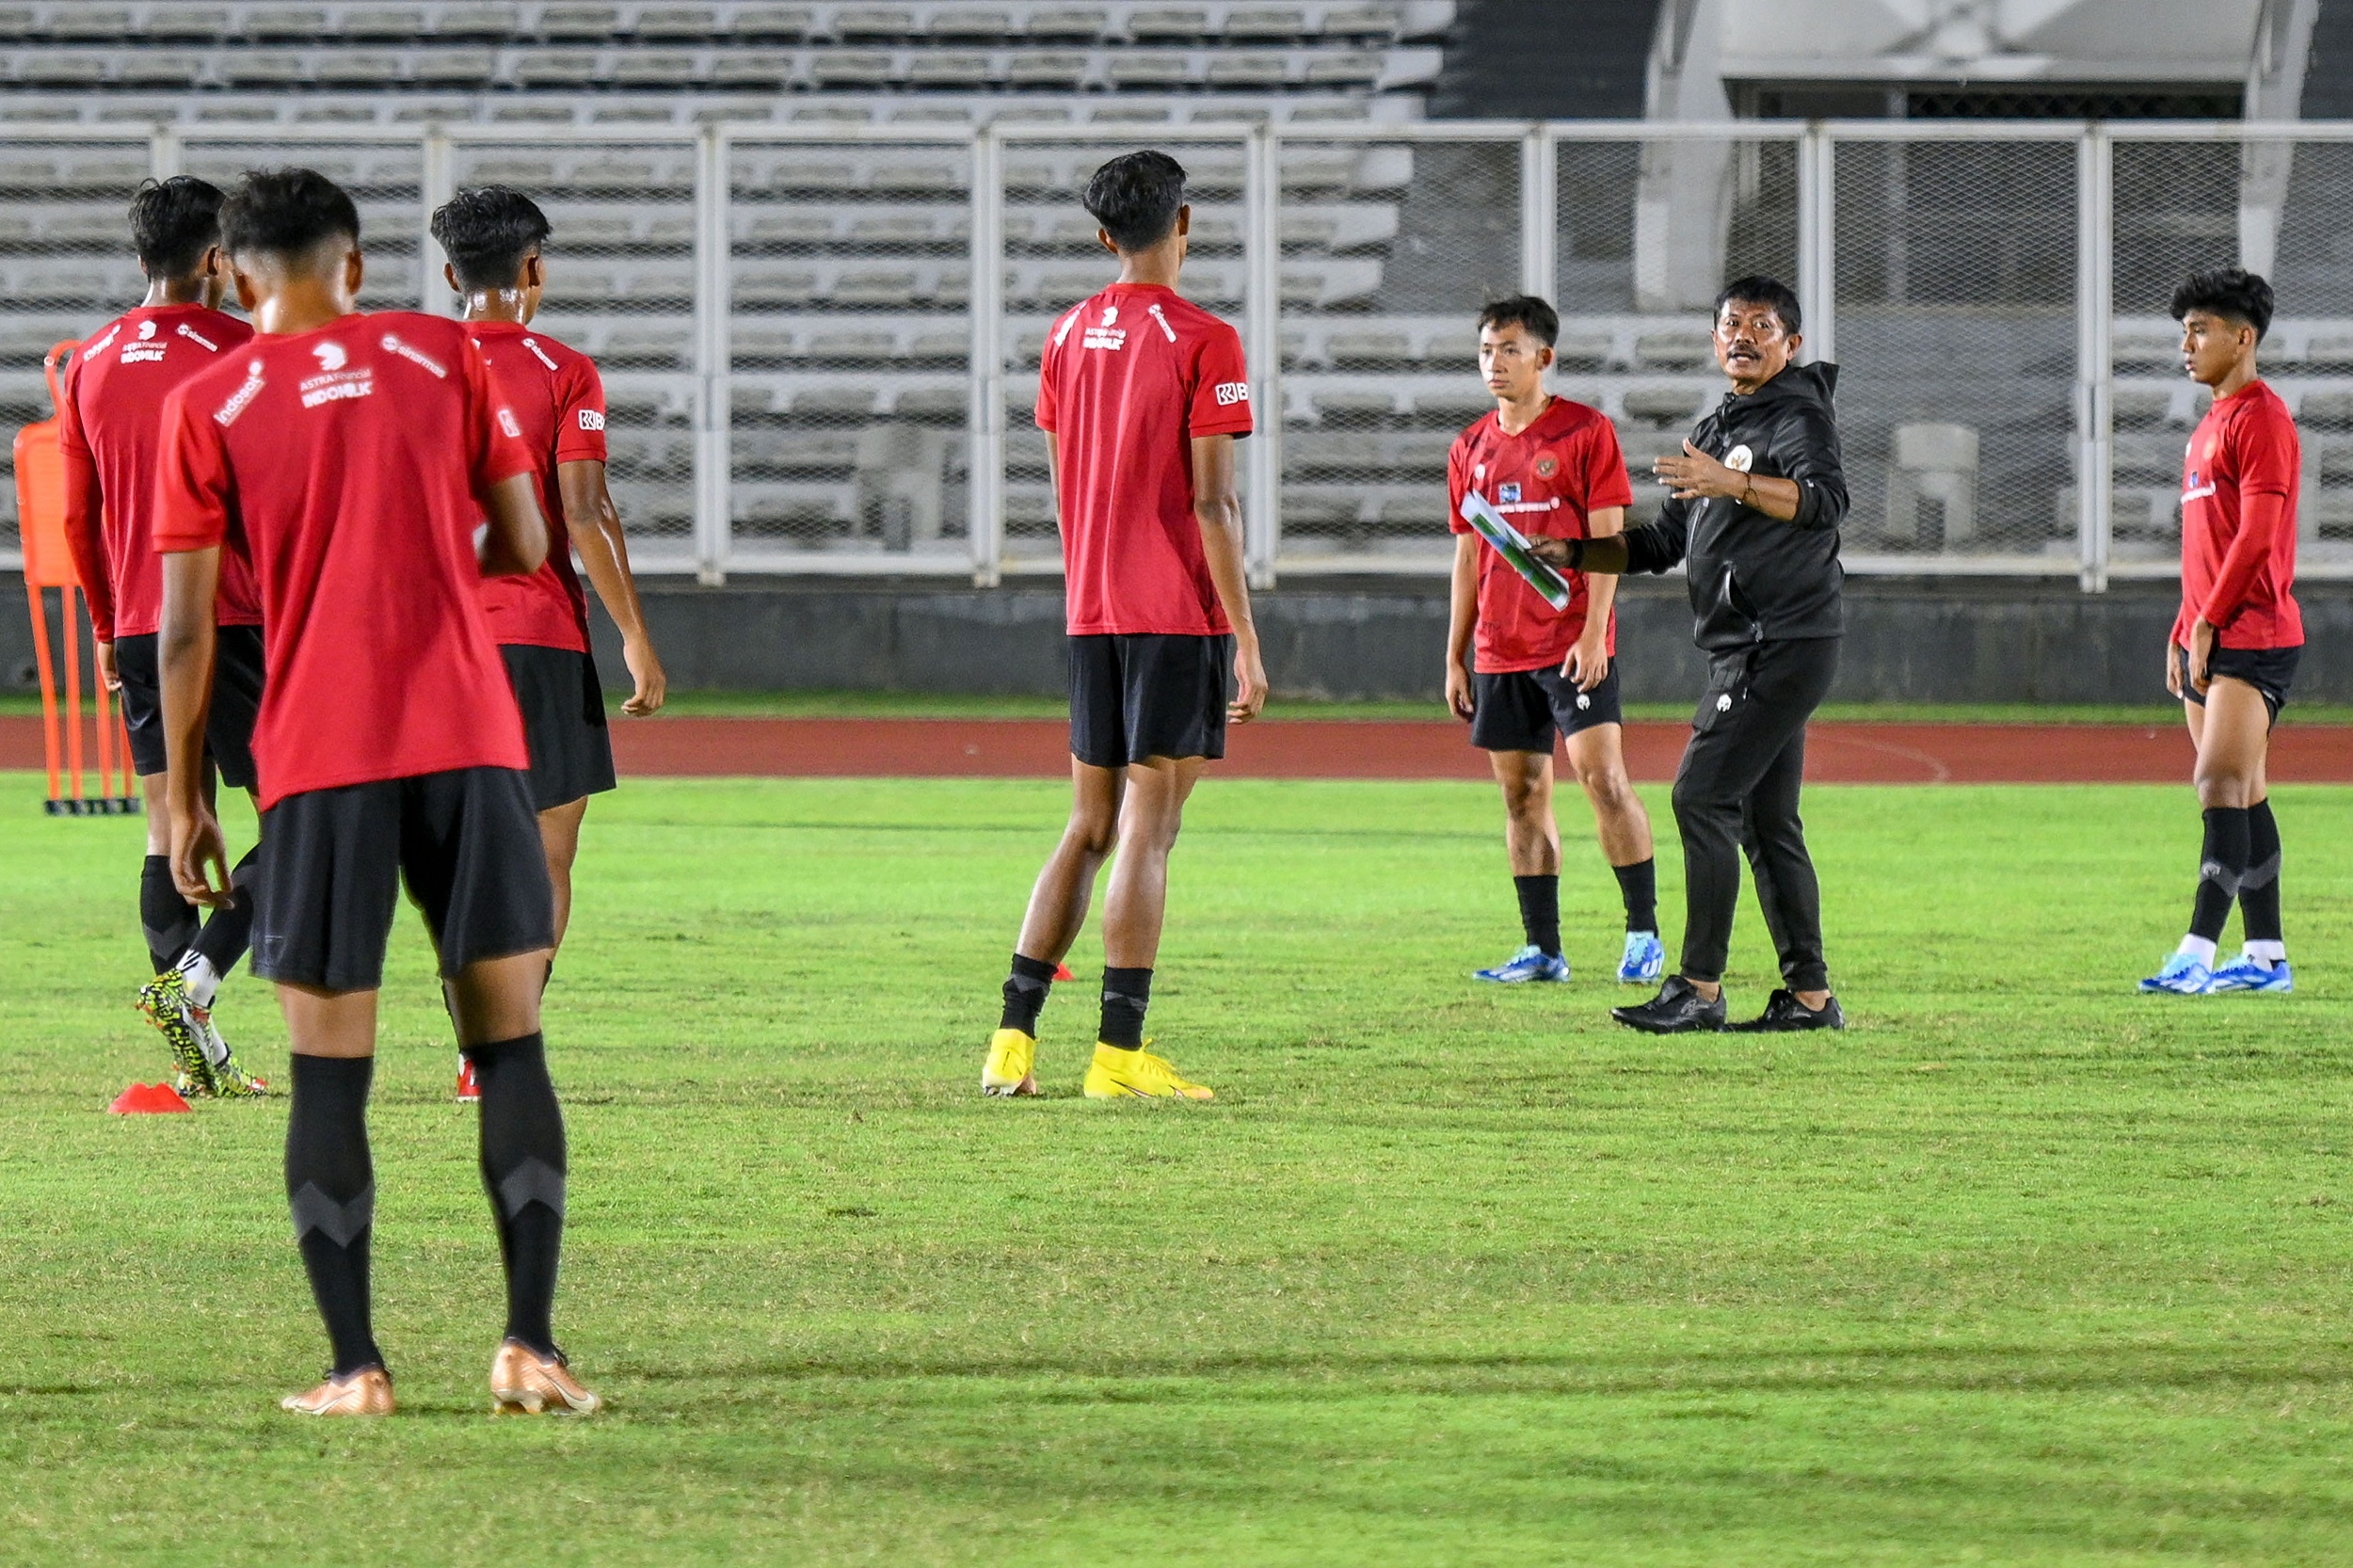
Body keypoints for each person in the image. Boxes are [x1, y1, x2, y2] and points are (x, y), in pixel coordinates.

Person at [153, 168, 595, 1417]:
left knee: (329, 1070)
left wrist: (187, 796)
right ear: (353, 266)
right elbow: (524, 541)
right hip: (467, 730)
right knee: (508, 1042)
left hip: (320, 751)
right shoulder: (437, 356)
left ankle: (356, 1368)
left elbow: (186, 629)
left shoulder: (209, 400)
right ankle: (529, 1347)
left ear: (236, 274)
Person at [980, 150, 1265, 1101]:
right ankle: (1117, 1054)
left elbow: (1066, 485)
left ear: (1105, 236)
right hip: (1173, 614)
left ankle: (1012, 1041)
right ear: (1183, 222)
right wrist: (1246, 639)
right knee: (1149, 829)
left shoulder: (1065, 334)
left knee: (1087, 826)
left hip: (1092, 609)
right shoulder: (1207, 340)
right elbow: (1213, 503)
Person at [1531, 276, 1848, 1033]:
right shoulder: (1716, 427)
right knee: (1768, 821)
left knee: (1700, 797)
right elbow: (1664, 543)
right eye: (1731, 323)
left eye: (1762, 325)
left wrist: (1731, 481)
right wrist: (1576, 551)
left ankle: (1699, 989)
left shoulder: (1799, 414)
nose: (1743, 335)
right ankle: (1809, 998)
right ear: (1713, 340)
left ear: (1792, 344)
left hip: (1779, 641)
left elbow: (1826, 502)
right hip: (1757, 645)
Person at [429, 184, 668, 1102]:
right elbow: (586, 510)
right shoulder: (564, 370)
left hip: (433, 643)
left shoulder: (411, 368)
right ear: (533, 268)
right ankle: (501, 1050)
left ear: (450, 274)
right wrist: (635, 635)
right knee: (544, 859)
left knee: (457, 858)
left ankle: (472, 1042)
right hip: (538, 638)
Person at [56, 175, 269, 1098]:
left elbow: (77, 515)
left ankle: (198, 1062)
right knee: (300, 817)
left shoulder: (87, 361)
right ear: (216, 258)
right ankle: (197, 979)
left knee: (169, 823)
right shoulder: (243, 350)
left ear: (141, 254)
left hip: (141, 622)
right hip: (231, 617)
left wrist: (107, 625)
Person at [1444, 295, 1661, 986]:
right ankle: (1543, 950)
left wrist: (1595, 634)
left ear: (1544, 357)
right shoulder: (1469, 448)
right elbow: (1468, 557)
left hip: (1571, 646)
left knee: (1604, 780)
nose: (1495, 363)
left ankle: (1644, 934)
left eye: (1510, 350)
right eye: (1486, 350)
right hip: (1499, 650)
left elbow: (1609, 544)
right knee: (1522, 795)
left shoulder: (1585, 433)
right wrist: (1455, 653)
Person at [2140, 267, 2302, 996]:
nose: (2187, 345)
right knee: (2246, 790)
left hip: (2254, 631)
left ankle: (2196, 955)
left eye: (2200, 331)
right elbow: (2206, 542)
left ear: (2243, 339)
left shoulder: (2263, 420)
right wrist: (2185, 622)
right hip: (2208, 629)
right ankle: (2266, 957)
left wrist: (2209, 620)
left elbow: (2259, 537)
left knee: (2218, 781)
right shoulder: (2209, 425)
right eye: (2184, 331)